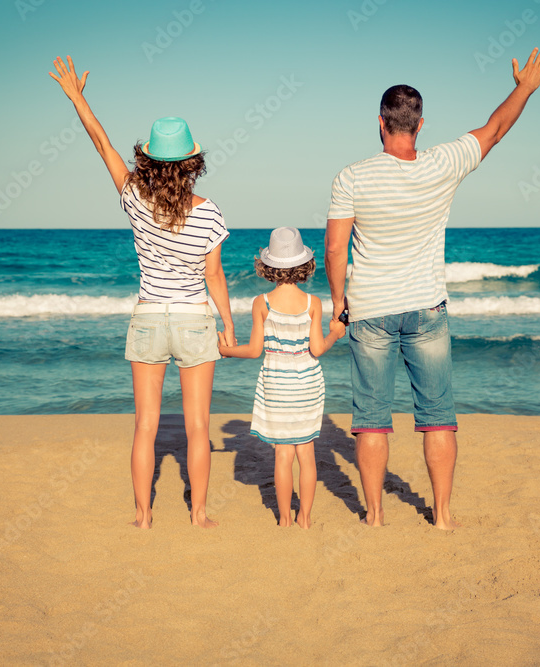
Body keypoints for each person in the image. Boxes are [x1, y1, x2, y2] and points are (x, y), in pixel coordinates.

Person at [324, 48, 540, 529]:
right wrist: (525, 87)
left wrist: (338, 302)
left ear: (381, 123)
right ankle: (443, 516)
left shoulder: (351, 177)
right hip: (427, 308)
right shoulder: (443, 162)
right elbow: (494, 129)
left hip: (369, 312)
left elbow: (334, 250)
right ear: (420, 125)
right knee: (437, 416)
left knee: (371, 418)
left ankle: (375, 516)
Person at [50, 55, 236, 529]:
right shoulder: (210, 212)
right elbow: (214, 276)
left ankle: (143, 516)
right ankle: (198, 515)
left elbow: (101, 144)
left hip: (150, 316)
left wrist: (77, 97)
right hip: (195, 319)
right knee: (197, 427)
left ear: (147, 159)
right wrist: (230, 324)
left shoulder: (133, 195)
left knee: (146, 426)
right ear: (193, 161)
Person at [219, 227, 346, 528]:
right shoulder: (312, 303)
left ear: (268, 267)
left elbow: (253, 351)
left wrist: (226, 351)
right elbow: (317, 348)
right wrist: (335, 334)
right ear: (304, 265)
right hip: (307, 385)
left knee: (282, 456)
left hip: (277, 384)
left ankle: (285, 518)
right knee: (307, 452)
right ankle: (306, 518)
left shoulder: (261, 303)